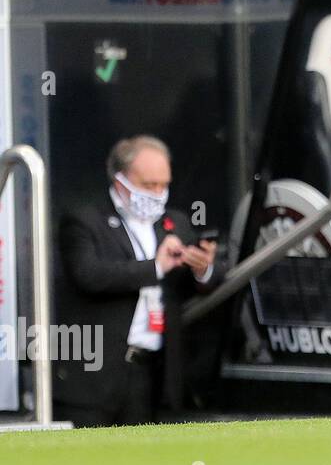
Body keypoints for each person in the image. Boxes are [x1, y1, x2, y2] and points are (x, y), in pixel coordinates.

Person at [54, 136, 220, 426]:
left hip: (151, 373)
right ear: (121, 181)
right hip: (95, 377)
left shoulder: (175, 223)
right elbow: (88, 275)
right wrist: (155, 267)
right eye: (148, 185)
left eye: (163, 185)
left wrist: (202, 267)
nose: (157, 193)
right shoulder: (84, 219)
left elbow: (205, 283)